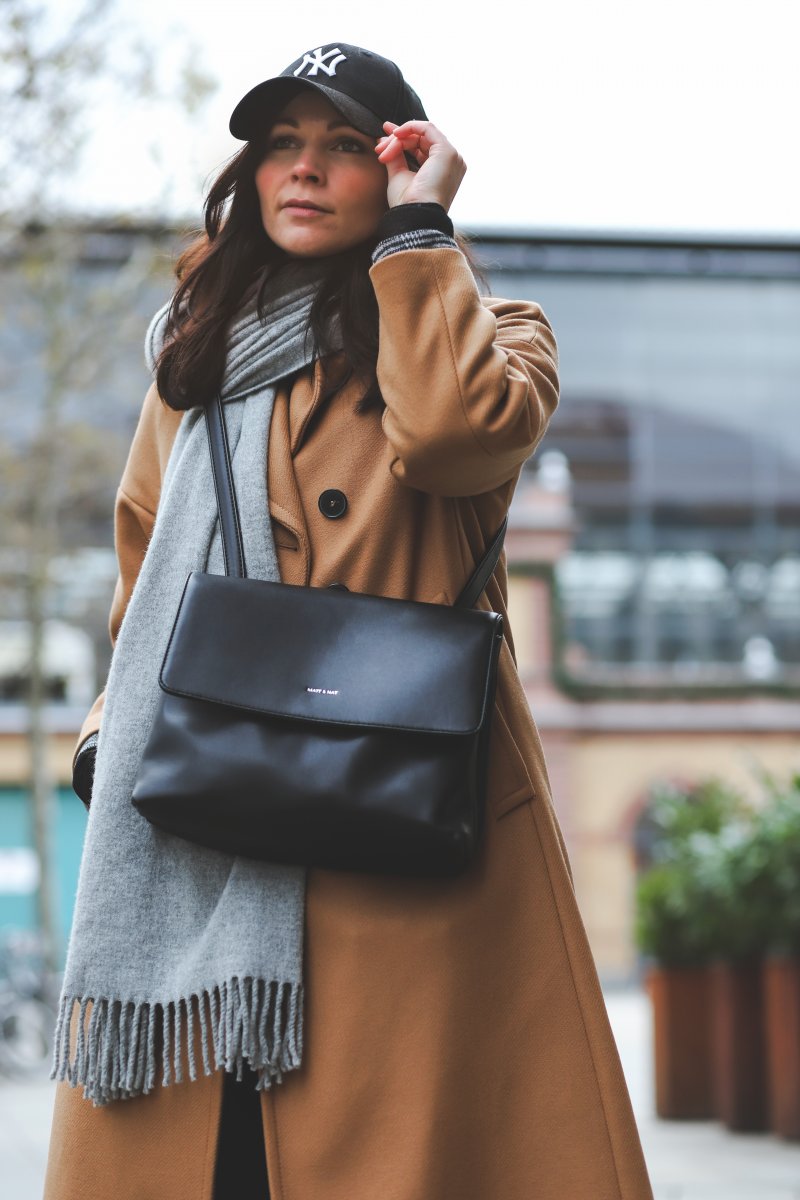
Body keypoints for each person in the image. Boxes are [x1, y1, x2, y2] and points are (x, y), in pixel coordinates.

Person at [45, 42, 653, 1200]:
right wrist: (108, 728)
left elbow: (453, 437)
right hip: (202, 809)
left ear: (399, 171)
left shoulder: (492, 330)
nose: (304, 171)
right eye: (280, 145)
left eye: (341, 147)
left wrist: (421, 245)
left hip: (406, 813)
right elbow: (139, 566)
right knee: (215, 1160)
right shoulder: (191, 359)